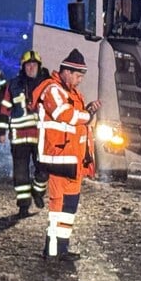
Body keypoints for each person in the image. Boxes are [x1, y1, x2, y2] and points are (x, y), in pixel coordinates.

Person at [34, 48, 100, 261]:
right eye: (78, 76)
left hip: (73, 161)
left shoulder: (72, 93)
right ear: (67, 71)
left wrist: (87, 111)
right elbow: (65, 115)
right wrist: (87, 115)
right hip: (57, 159)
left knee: (68, 209)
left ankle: (62, 248)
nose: (80, 80)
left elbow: (77, 121)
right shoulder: (52, 89)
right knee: (57, 208)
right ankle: (51, 252)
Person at [0, 50, 50, 217]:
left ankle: (37, 191)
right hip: (19, 136)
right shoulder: (13, 84)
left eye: (34, 65)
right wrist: (1, 130)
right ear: (23, 67)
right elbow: (4, 108)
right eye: (28, 65)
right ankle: (23, 206)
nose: (31, 68)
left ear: (39, 66)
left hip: (41, 136)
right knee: (20, 173)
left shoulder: (47, 85)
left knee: (44, 170)